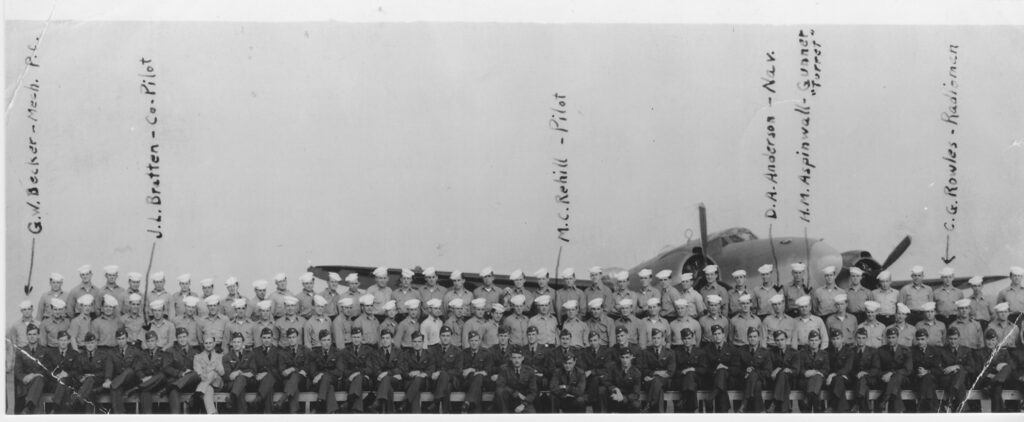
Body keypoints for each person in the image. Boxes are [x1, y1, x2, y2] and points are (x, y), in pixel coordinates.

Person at [974, 329, 1013, 412]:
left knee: (1007, 367)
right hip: (986, 381)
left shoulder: (1004, 352)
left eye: (993, 340)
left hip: (1001, 382)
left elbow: (1010, 367)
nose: (990, 342)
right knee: (997, 389)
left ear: (997, 340)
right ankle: (998, 416)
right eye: (988, 340)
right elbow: (977, 370)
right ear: (984, 340)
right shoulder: (979, 353)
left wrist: (1001, 368)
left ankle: (995, 417)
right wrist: (990, 374)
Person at [164, 327, 201, 413]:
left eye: (184, 336)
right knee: (173, 393)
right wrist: (181, 374)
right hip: (177, 381)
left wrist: (188, 374)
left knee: (195, 374)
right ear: (176, 339)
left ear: (188, 337)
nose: (182, 339)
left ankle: (172, 386)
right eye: (180, 337)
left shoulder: (196, 351)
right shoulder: (170, 351)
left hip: (191, 384)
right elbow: (166, 367)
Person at [704, 324, 739, 413]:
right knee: (721, 382)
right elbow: (705, 368)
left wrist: (725, 367)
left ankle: (711, 397)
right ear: (712, 336)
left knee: (722, 371)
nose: (717, 336)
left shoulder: (732, 349)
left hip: (729, 380)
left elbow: (737, 370)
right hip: (712, 380)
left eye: (719, 333)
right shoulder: (707, 349)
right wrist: (715, 370)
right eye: (715, 334)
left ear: (723, 335)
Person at [427, 326, 462, 414]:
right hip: (436, 381)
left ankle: (436, 402)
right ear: (439, 336)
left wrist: (441, 373)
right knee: (446, 387)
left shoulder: (457, 351)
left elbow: (458, 370)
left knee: (445, 378)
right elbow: (430, 366)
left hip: (452, 380)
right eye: (443, 335)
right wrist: (434, 373)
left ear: (451, 337)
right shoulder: (433, 349)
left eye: (447, 336)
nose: (445, 338)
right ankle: (446, 413)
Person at [876, 327, 911, 413]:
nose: (891, 340)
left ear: (897, 337)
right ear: (886, 338)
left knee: (897, 377)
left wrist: (892, 373)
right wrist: (885, 375)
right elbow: (877, 369)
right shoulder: (880, 350)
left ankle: (884, 398)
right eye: (889, 337)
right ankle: (897, 413)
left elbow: (907, 370)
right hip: (886, 380)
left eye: (893, 337)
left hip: (903, 380)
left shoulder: (905, 350)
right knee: (895, 388)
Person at [13, 324, 47, 414]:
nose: (32, 337)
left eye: (34, 334)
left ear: (38, 335)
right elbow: (17, 371)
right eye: (30, 334)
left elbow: (47, 369)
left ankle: (28, 408)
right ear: (27, 336)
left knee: (39, 379)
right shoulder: (21, 351)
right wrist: (24, 377)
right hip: (26, 382)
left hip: (41, 381)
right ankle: (27, 408)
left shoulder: (45, 350)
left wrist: (34, 375)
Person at [938, 327, 973, 412]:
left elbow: (972, 368)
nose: (953, 341)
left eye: (955, 339)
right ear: (947, 339)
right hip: (947, 379)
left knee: (960, 371)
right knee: (959, 378)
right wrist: (949, 370)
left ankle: (950, 400)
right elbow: (939, 368)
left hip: (963, 380)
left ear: (959, 338)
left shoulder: (966, 350)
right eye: (950, 339)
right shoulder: (942, 351)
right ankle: (963, 411)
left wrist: (956, 366)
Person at [72, 332, 109, 413]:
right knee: (89, 393)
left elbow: (106, 372)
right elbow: (76, 371)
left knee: (90, 379)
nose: (90, 345)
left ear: (96, 343)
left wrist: (93, 375)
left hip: (99, 383)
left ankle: (78, 400)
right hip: (85, 385)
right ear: (85, 344)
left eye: (92, 343)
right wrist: (80, 378)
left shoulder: (103, 355)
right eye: (88, 343)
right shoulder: (80, 356)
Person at [108, 328, 143, 414]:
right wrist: (107, 379)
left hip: (131, 381)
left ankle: (112, 385)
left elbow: (138, 368)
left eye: (123, 338)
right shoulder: (111, 352)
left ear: (127, 339)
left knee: (129, 371)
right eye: (119, 339)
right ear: (116, 340)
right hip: (119, 383)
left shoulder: (135, 351)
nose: (121, 341)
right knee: (115, 390)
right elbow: (109, 367)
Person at [495, 345, 538, 413]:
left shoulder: (529, 371)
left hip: (524, 400)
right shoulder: (504, 369)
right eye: (514, 358)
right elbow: (500, 386)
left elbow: (533, 392)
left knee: (532, 416)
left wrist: (523, 404)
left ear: (523, 358)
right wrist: (516, 393)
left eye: (519, 357)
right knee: (500, 391)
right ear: (510, 358)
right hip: (508, 400)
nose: (517, 360)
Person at [309, 329, 343, 414]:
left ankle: (319, 402)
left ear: (331, 341)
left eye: (328, 340)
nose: (327, 342)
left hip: (334, 381)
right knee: (329, 387)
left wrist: (322, 374)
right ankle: (331, 411)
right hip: (319, 383)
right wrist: (320, 376)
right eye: (324, 340)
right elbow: (312, 372)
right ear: (320, 341)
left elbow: (339, 372)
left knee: (326, 377)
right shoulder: (314, 353)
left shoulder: (337, 352)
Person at [276, 327, 309, 413]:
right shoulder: (282, 352)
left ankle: (282, 399)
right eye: (289, 338)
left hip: (302, 381)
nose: (292, 340)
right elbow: (282, 372)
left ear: (297, 337)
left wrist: (293, 369)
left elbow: (307, 368)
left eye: (294, 337)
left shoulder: (305, 350)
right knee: (292, 386)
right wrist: (293, 370)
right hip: (288, 381)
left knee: (294, 376)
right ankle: (294, 413)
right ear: (287, 339)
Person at [370, 330, 404, 413]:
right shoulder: (376, 353)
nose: (385, 340)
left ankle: (378, 402)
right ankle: (390, 414)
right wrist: (393, 373)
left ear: (392, 340)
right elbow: (376, 371)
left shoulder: (399, 352)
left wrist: (387, 373)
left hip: (395, 382)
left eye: (387, 338)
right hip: (380, 381)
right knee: (388, 389)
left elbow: (402, 369)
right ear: (381, 340)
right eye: (383, 338)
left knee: (386, 379)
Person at [341, 327, 375, 413]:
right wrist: (352, 376)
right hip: (349, 380)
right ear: (351, 338)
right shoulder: (345, 351)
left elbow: (370, 369)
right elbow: (344, 370)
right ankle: (356, 408)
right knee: (358, 381)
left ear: (362, 337)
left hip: (365, 380)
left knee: (359, 378)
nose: (356, 339)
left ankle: (350, 400)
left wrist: (356, 374)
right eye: (354, 337)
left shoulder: (368, 350)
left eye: (358, 337)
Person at [738, 327, 771, 413]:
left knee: (756, 379)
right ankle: (761, 411)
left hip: (762, 380)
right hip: (744, 380)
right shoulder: (741, 351)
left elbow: (768, 372)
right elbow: (736, 369)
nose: (752, 339)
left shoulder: (765, 352)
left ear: (759, 338)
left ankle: (745, 402)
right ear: (747, 338)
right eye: (750, 336)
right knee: (757, 385)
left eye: (754, 336)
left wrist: (754, 372)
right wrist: (746, 370)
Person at [846, 328, 879, 412]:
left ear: (866, 338)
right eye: (859, 338)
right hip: (855, 379)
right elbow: (849, 368)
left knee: (863, 379)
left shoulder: (873, 351)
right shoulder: (851, 351)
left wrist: (865, 373)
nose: (861, 340)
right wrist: (856, 374)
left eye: (863, 338)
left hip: (870, 379)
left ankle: (857, 403)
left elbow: (876, 368)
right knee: (863, 386)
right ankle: (865, 409)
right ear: (855, 338)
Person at [460, 331, 494, 413]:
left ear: (479, 341)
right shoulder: (464, 353)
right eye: (472, 340)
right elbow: (461, 371)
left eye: (476, 340)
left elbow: (487, 372)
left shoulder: (486, 353)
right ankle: (473, 409)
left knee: (478, 377)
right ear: (468, 341)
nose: (474, 343)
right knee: (477, 384)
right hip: (467, 382)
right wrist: (475, 372)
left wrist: (472, 370)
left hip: (484, 383)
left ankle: (467, 402)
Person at [673, 327, 706, 413]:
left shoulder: (700, 352)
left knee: (690, 374)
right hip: (681, 381)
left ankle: (684, 400)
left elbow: (704, 370)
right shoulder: (676, 352)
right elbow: (673, 370)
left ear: (693, 338)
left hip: (696, 381)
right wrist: (682, 372)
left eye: (689, 338)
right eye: (684, 339)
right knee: (688, 375)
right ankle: (692, 408)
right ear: (681, 339)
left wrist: (693, 369)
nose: (687, 341)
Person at [641, 328, 675, 412]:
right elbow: (644, 369)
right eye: (654, 338)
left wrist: (653, 375)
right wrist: (656, 372)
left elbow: (670, 372)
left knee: (656, 381)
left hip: (665, 382)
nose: (656, 340)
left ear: (663, 339)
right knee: (658, 389)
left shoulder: (670, 352)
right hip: (650, 381)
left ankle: (649, 404)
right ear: (651, 339)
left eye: (658, 338)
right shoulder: (646, 352)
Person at [46, 330, 79, 413]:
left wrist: (67, 374)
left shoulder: (74, 354)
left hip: (69, 382)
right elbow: (47, 369)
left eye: (65, 340)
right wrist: (55, 375)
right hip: (54, 383)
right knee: (65, 389)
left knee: (65, 384)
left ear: (68, 341)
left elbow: (78, 371)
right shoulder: (51, 353)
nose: (63, 343)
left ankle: (54, 409)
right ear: (57, 341)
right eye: (61, 340)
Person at [222, 332, 255, 414]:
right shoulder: (226, 357)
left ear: (243, 343)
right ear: (231, 343)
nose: (236, 344)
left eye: (238, 342)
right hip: (232, 384)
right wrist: (242, 373)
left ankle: (232, 398)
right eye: (234, 342)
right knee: (241, 386)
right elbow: (228, 375)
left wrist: (239, 373)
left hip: (248, 383)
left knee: (241, 380)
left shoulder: (250, 354)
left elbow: (252, 371)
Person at [910, 328, 942, 412]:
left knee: (927, 378)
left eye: (922, 339)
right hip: (916, 380)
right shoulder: (911, 351)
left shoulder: (935, 351)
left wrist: (927, 371)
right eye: (918, 339)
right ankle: (934, 410)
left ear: (927, 339)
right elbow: (909, 368)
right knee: (927, 380)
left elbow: (938, 370)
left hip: (932, 380)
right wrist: (919, 372)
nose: (920, 342)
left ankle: (922, 409)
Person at [768, 330, 799, 413]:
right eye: (777, 340)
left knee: (783, 375)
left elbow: (796, 371)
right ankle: (785, 411)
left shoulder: (794, 352)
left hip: (791, 381)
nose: (780, 342)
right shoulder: (771, 352)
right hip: (776, 381)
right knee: (782, 376)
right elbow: (770, 371)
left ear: (786, 340)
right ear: (774, 341)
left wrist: (779, 369)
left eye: (782, 340)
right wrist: (780, 370)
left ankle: (775, 401)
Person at [798, 330, 830, 413]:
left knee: (817, 378)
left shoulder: (824, 354)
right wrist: (805, 373)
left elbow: (826, 369)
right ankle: (818, 409)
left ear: (820, 341)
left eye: (816, 340)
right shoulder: (802, 353)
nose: (814, 342)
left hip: (820, 381)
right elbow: (800, 368)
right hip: (805, 380)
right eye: (811, 340)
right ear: (808, 341)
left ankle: (808, 400)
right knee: (816, 380)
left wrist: (814, 372)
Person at [579, 331, 610, 412]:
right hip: (590, 381)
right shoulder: (585, 352)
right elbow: (583, 367)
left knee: (600, 388)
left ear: (599, 340)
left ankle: (590, 399)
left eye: (595, 340)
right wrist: (591, 372)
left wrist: (592, 371)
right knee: (600, 390)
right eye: (591, 341)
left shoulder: (606, 351)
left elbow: (607, 369)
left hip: (603, 380)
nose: (593, 343)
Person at [252, 327, 281, 413]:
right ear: (261, 338)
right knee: (269, 389)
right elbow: (253, 367)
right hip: (259, 381)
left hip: (275, 381)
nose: (266, 340)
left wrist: (266, 373)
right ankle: (268, 415)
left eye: (268, 337)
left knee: (270, 378)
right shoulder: (255, 351)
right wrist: (257, 375)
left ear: (272, 338)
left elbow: (279, 369)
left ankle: (259, 399)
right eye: (264, 338)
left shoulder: (278, 351)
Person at [403, 332, 433, 413]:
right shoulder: (406, 354)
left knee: (418, 379)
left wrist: (420, 373)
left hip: (424, 383)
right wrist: (410, 374)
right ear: (412, 342)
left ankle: (406, 401)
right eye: (415, 341)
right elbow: (403, 371)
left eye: (419, 342)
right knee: (415, 393)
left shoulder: (429, 354)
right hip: (410, 382)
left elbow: (431, 369)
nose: (417, 344)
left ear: (423, 342)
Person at [604, 348, 642, 413]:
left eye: (627, 357)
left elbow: (636, 394)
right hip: (616, 396)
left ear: (631, 357)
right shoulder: (614, 368)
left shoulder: (636, 373)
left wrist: (623, 398)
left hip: (628, 399)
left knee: (636, 405)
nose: (625, 360)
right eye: (622, 357)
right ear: (619, 358)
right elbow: (607, 381)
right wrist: (614, 389)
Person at [194, 335, 225, 414]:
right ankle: (213, 413)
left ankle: (198, 393)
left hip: (217, 383)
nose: (208, 345)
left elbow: (222, 373)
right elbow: (198, 372)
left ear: (214, 343)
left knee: (212, 373)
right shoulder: (198, 357)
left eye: (210, 343)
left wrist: (213, 368)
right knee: (208, 389)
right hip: (205, 382)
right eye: (206, 343)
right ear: (203, 344)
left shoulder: (220, 356)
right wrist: (207, 371)